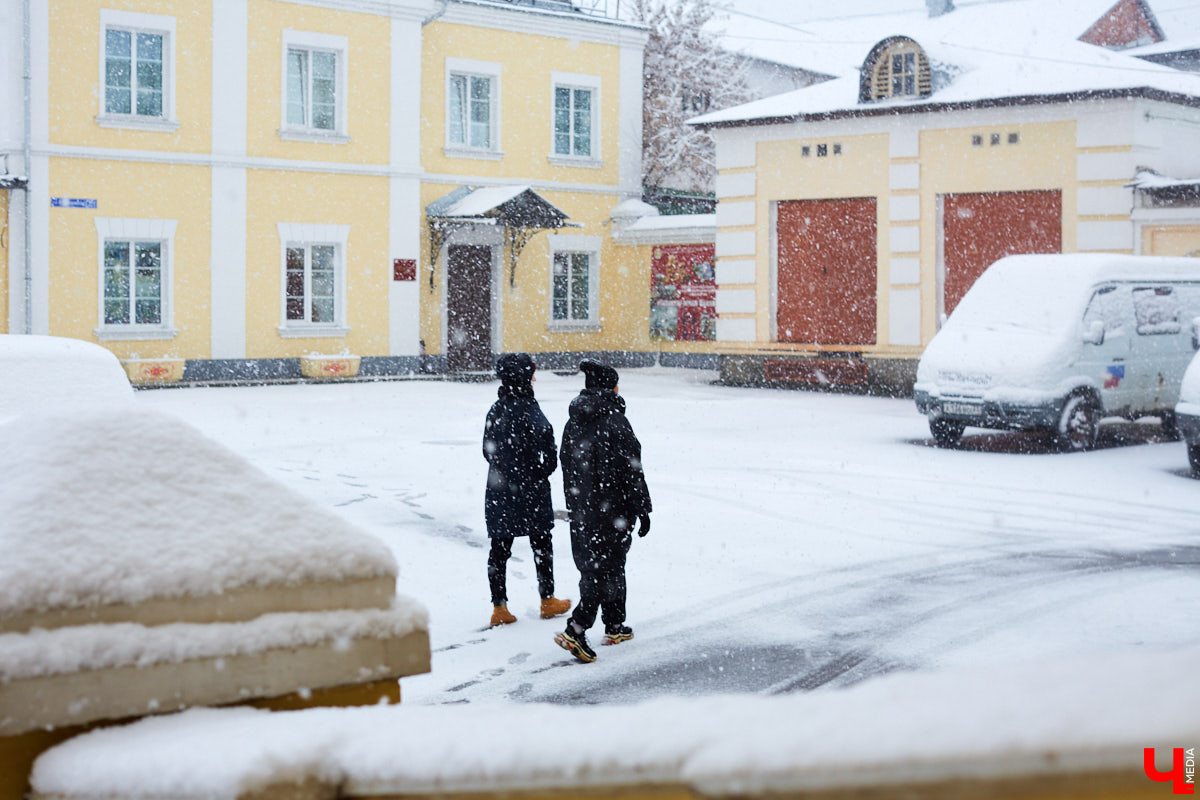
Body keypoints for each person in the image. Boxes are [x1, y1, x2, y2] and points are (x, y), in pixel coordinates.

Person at [554, 359, 652, 663]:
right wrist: (642, 508)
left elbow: (566, 463)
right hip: (614, 511)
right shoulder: (615, 421)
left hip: (583, 509)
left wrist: (578, 502)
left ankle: (615, 624)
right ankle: (577, 628)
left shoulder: (574, 421)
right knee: (605, 567)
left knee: (598, 566)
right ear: (612, 387)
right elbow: (632, 470)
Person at [483, 353, 571, 627]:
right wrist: (536, 473)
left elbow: (487, 450)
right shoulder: (532, 410)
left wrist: (504, 469)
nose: (535, 377)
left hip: (499, 490)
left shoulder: (496, 410)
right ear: (525, 377)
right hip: (531, 491)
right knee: (541, 544)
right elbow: (550, 455)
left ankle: (499, 608)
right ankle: (547, 600)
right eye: (532, 372)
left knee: (499, 548)